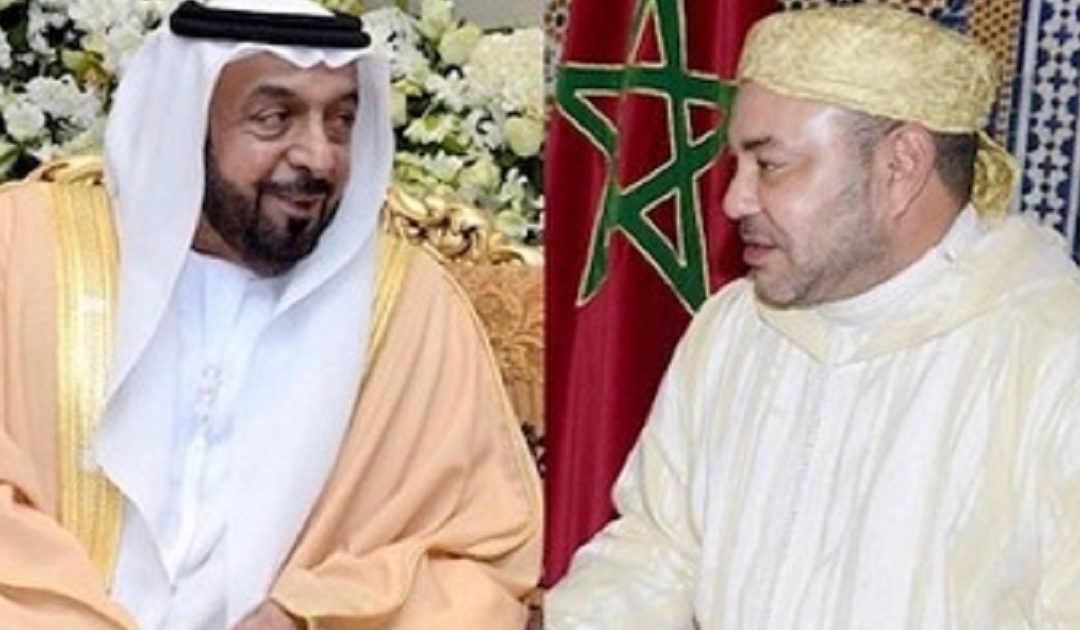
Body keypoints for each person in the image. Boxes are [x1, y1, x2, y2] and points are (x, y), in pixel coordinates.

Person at [0, 0, 541, 627]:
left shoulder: (412, 308)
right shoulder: (24, 247)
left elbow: (480, 556)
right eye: (274, 118)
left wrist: (306, 615)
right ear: (188, 124)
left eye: (340, 121)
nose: (319, 156)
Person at [547, 5, 1080, 629]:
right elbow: (652, 557)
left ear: (901, 166)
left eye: (770, 166)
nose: (733, 200)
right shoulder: (735, 326)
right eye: (737, 165)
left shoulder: (1052, 356)